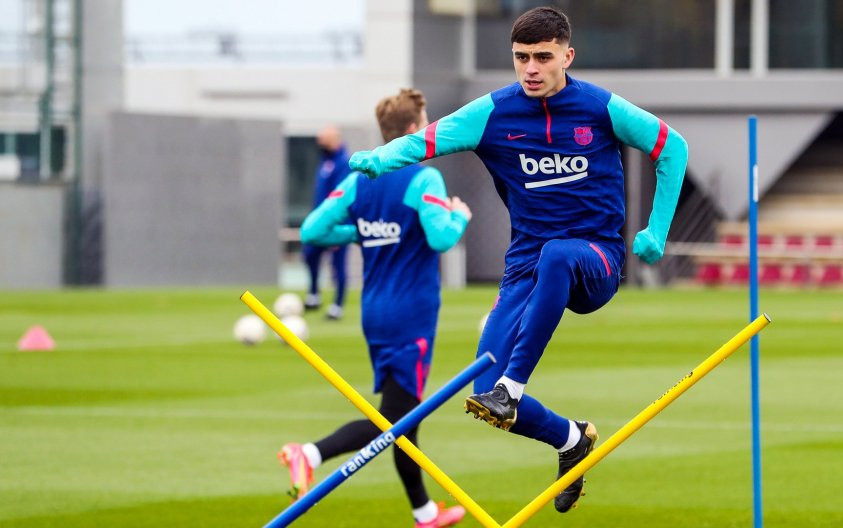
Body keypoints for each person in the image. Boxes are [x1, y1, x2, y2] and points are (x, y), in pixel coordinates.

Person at [349, 6, 688, 514]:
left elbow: (673, 147)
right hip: (526, 265)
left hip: (594, 258)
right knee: (483, 394)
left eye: (543, 57)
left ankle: (514, 384)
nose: (531, 67)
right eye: (521, 57)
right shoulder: (491, 112)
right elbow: (425, 141)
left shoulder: (601, 107)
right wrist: (381, 158)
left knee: (556, 258)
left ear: (567, 57)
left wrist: (656, 230)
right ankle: (570, 439)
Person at [279, 88, 473, 528]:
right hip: (411, 316)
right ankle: (308, 453)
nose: (429, 132)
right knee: (396, 420)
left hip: (375, 312)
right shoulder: (423, 177)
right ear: (411, 130)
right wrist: (459, 215)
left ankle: (425, 513)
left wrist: (360, 233)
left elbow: (311, 230)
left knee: (404, 415)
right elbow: (442, 238)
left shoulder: (360, 177)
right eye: (424, 125)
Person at [302, 125, 351, 319]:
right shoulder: (325, 161)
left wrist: (338, 226)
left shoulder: (343, 163)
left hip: (337, 224)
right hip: (320, 222)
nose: (319, 143)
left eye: (324, 139)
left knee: (338, 265)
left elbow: (342, 198)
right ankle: (314, 294)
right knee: (309, 255)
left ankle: (337, 306)